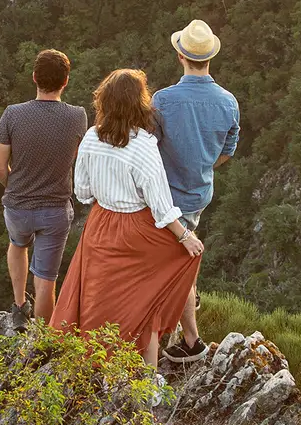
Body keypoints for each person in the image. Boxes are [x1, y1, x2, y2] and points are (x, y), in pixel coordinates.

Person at [51, 68, 205, 366]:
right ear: (140, 104)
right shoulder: (144, 145)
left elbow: (83, 192)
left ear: (104, 102)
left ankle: (94, 367)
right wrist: (185, 236)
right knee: (144, 304)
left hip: (99, 226)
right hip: (137, 231)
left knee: (98, 304)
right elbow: (160, 204)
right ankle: (147, 384)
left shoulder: (91, 139)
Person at [151, 19, 240, 365]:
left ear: (180, 56)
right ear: (210, 58)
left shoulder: (163, 100)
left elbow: (147, 150)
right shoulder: (228, 102)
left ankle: (191, 341)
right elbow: (229, 150)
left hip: (166, 199)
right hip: (199, 194)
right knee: (183, 261)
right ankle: (183, 329)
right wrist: (204, 167)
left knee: (174, 269)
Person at [0, 49, 88, 328]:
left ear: (34, 78)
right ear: (66, 81)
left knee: (17, 244)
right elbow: (79, 161)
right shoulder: (77, 117)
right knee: (46, 278)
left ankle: (20, 307)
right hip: (56, 209)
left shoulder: (12, 114)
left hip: (18, 206)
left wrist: (17, 187)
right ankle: (44, 340)